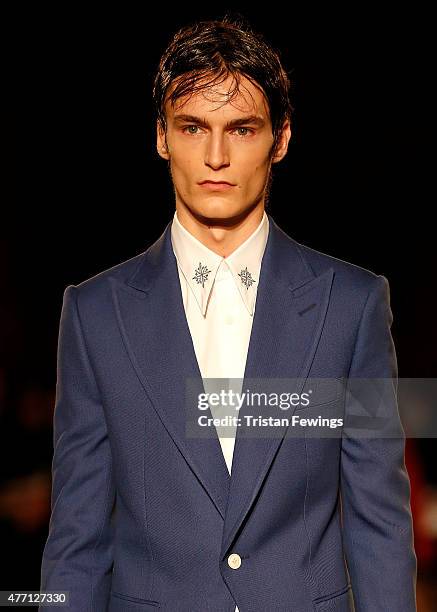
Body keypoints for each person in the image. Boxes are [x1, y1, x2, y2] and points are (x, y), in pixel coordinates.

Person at [40, 16, 417, 611]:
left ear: (281, 138)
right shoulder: (94, 315)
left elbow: (380, 524)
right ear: (162, 136)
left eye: (241, 129)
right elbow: (77, 538)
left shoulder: (351, 305)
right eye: (193, 127)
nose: (216, 155)